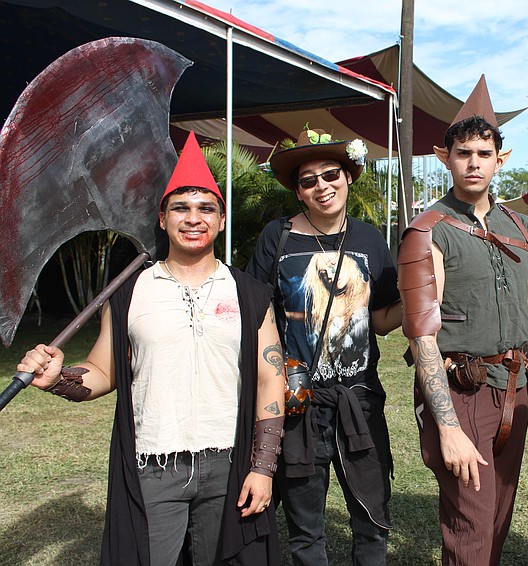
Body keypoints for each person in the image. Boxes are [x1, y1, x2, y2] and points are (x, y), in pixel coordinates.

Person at [17, 131, 285, 565]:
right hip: (153, 467)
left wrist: (263, 466)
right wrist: (58, 379)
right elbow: (103, 373)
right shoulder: (127, 293)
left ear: (221, 220)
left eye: (205, 209)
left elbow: (272, 377)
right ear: (162, 219)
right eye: (181, 208)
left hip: (229, 464)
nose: (193, 218)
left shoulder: (251, 294)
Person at [397, 75, 528, 565]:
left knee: (496, 522)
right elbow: (424, 339)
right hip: (461, 391)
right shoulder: (427, 231)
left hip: (513, 390)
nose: (474, 163)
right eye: (463, 152)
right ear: (443, 156)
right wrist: (446, 427)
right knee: (470, 528)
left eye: (483, 153)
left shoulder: (521, 226)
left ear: (501, 160)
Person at [246, 125, 401, 565]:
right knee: (305, 532)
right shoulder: (277, 239)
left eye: (330, 174)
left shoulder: (371, 239)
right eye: (308, 180)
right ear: (298, 192)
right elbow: (256, 317)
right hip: (299, 406)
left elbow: (382, 322)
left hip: (359, 402)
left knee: (372, 525)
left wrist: (414, 300)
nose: (322, 186)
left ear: (348, 175)